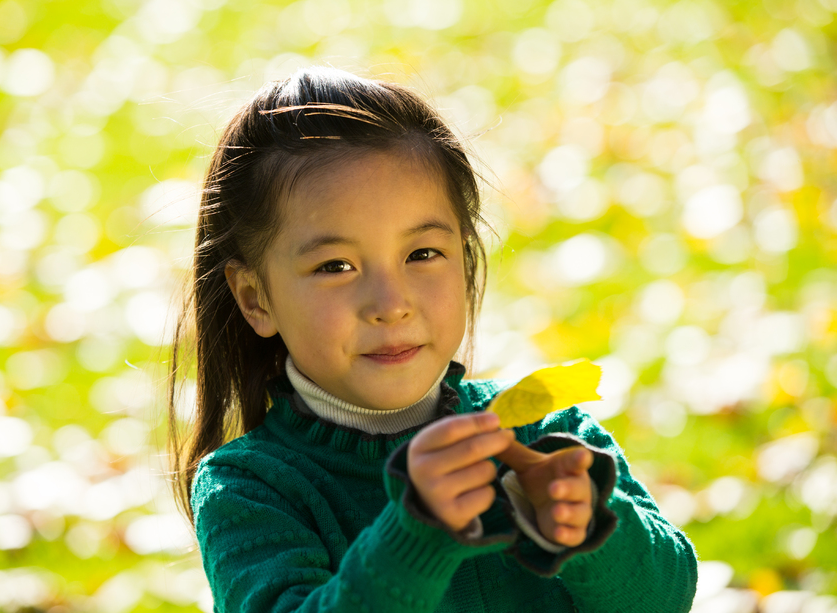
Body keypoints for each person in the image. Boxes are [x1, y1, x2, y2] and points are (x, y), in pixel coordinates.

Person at [167, 66, 698, 612]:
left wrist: (587, 526)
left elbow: (666, 597)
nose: (391, 304)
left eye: (422, 254)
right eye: (336, 265)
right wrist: (415, 536)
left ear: (465, 261)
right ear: (256, 298)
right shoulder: (252, 488)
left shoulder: (548, 434)